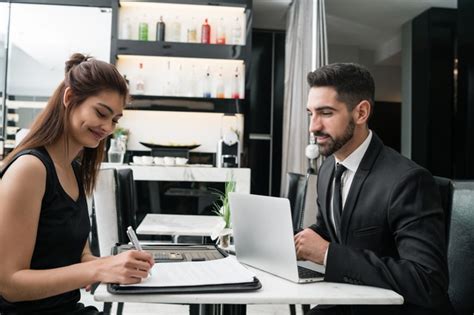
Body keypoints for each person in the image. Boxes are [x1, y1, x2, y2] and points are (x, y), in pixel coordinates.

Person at [0, 53, 154, 314]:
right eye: (101, 113)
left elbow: (79, 256)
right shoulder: (31, 169)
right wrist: (97, 269)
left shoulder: (74, 170)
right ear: (70, 98)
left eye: (115, 120)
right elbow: (8, 284)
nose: (107, 127)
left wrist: (114, 265)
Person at [294, 63, 453, 315]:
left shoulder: (408, 181)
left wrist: (326, 254)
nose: (313, 126)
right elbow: (331, 230)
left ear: (361, 113)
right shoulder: (327, 169)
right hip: (348, 301)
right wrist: (292, 241)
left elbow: (428, 282)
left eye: (325, 113)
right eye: (310, 113)